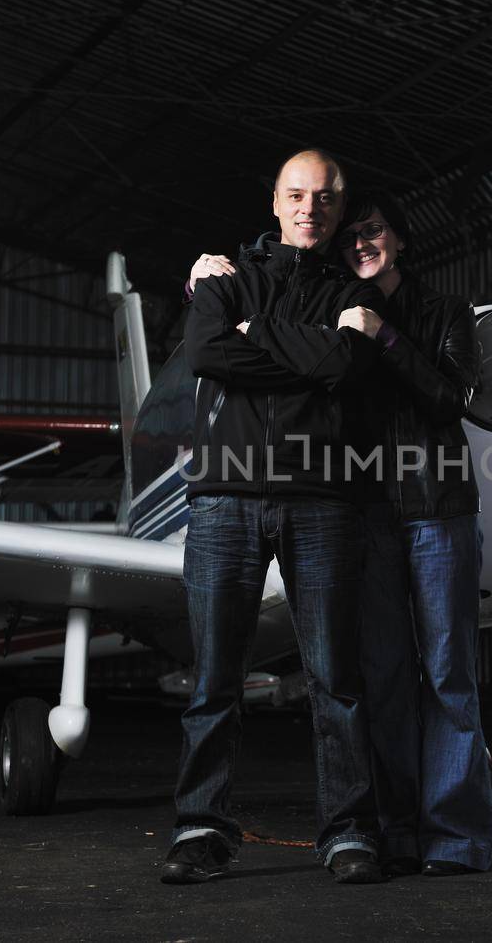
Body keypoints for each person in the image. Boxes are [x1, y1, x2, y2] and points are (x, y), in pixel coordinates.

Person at [187, 188, 492, 877]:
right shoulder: (330, 306)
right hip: (363, 513)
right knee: (380, 676)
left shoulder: (444, 313)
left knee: (448, 675)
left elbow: (449, 398)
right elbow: (295, 358)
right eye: (351, 232)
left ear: (402, 240)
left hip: (437, 507)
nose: (361, 241)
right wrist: (216, 292)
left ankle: (455, 838)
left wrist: (379, 334)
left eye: (375, 230)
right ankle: (393, 830)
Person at [162, 149, 386, 886]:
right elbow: (205, 351)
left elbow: (349, 367)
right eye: (297, 194)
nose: (309, 208)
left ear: (339, 206)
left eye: (325, 197)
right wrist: (320, 351)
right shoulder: (226, 279)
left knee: (335, 679)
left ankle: (348, 832)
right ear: (276, 202)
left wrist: (256, 343)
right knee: (214, 678)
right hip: (224, 498)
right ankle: (201, 827)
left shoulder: (353, 292)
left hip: (323, 500)